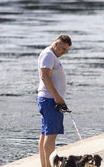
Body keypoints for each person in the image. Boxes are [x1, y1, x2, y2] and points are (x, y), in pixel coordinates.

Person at [38, 34, 72, 167]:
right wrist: (57, 97)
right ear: (56, 43)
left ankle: (45, 165)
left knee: (45, 134)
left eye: (66, 50)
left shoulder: (50, 55)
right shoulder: (48, 55)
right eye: (63, 48)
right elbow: (44, 76)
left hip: (48, 99)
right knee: (51, 136)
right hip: (50, 100)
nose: (64, 52)